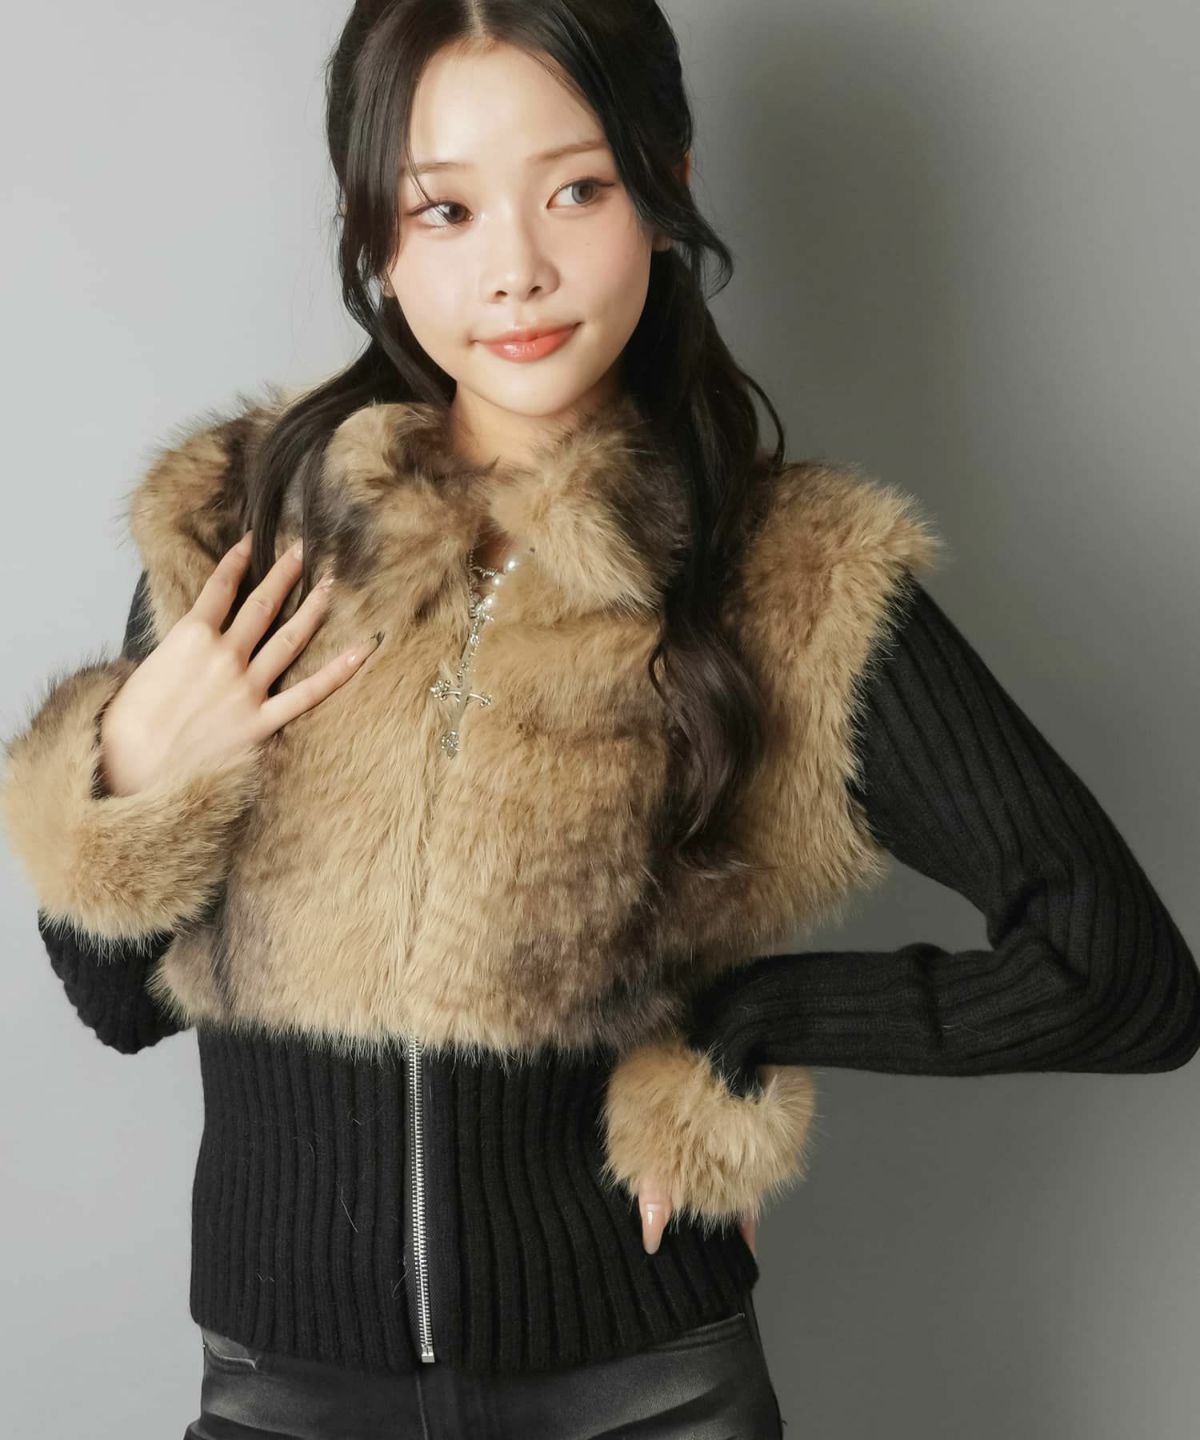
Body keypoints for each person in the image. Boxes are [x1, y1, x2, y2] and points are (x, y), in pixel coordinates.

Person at [2, 2, 1197, 1436]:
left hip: (648, 1397)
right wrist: (132, 778)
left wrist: (753, 1019)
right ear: (375, 233)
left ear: (665, 187)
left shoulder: (788, 577)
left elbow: (1125, 976)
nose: (515, 268)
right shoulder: (247, 527)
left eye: (577, 188)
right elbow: (116, 1006)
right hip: (282, 1402)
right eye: (445, 209)